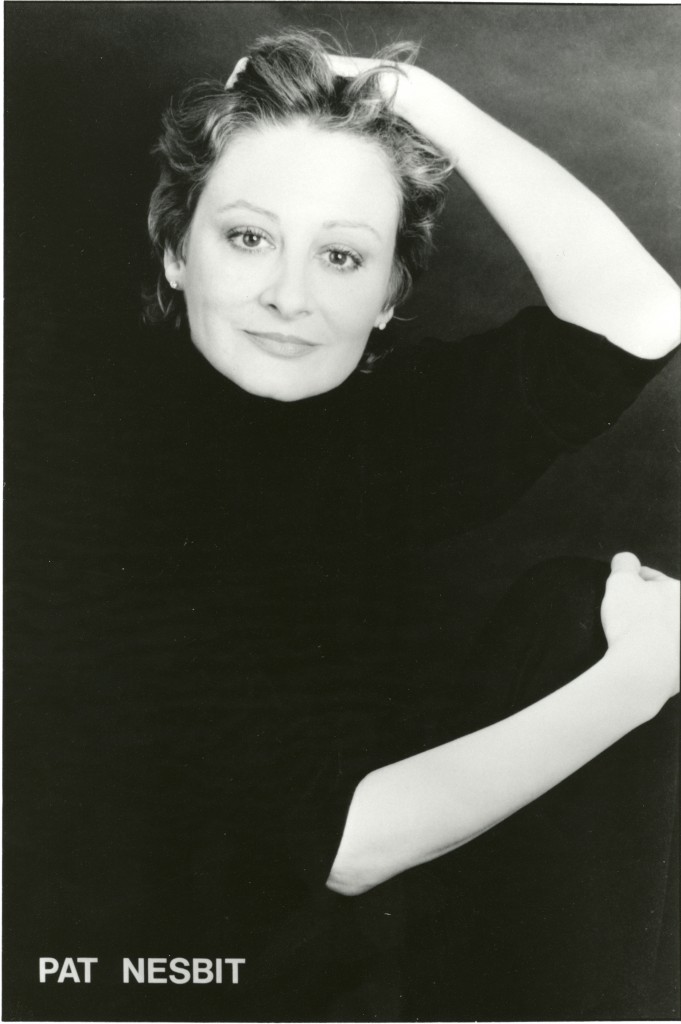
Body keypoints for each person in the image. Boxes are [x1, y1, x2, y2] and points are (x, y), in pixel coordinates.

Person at [133, 29, 678, 1019]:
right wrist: (638, 680)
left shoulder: (354, 429)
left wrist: (415, 94)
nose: (289, 296)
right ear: (176, 252)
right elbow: (344, 846)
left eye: (341, 256)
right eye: (248, 238)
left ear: (387, 296)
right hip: (148, 973)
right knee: (621, 658)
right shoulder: (89, 456)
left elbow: (639, 314)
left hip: (346, 945)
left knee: (575, 614)